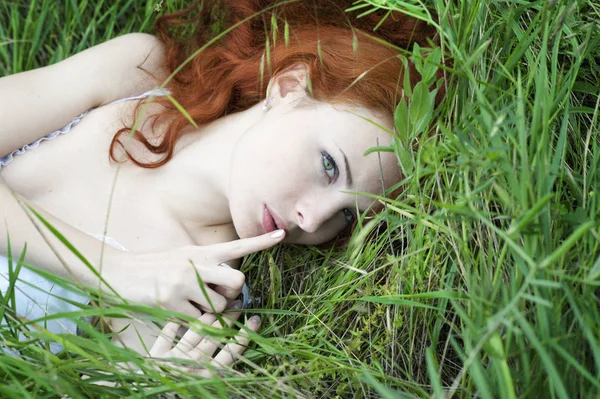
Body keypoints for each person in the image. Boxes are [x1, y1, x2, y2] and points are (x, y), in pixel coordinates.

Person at [0, 0, 437, 375]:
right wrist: (109, 268)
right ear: (288, 88)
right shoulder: (134, 75)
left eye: (347, 215)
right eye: (329, 166)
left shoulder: (201, 297)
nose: (313, 219)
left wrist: (147, 386)